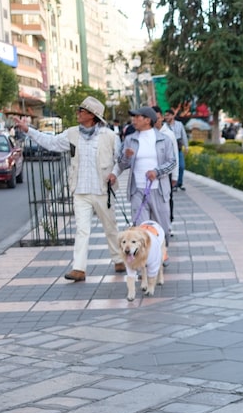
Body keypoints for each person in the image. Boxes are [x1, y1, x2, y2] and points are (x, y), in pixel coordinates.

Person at [14, 97, 124, 282]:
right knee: (82, 230)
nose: (78, 113)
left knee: (110, 226)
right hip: (80, 190)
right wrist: (28, 131)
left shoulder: (110, 136)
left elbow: (119, 161)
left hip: (102, 191)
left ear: (92, 116)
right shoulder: (72, 134)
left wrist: (114, 174)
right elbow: (52, 143)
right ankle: (79, 269)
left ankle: (118, 259)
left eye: (82, 111)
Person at [111, 106, 176, 246]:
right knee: (141, 230)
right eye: (133, 117)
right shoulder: (129, 140)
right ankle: (146, 259)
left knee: (162, 227)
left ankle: (162, 253)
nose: (133, 120)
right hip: (137, 190)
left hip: (159, 190)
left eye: (137, 117)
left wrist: (156, 172)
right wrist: (126, 157)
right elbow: (122, 164)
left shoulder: (164, 139)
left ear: (147, 120)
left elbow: (172, 163)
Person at [164, 109, 189, 190]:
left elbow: (183, 135)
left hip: (178, 148)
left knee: (181, 166)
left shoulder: (179, 124)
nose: (166, 117)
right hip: (169, 149)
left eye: (168, 115)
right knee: (172, 167)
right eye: (165, 115)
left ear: (172, 115)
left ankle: (179, 183)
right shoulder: (164, 126)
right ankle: (173, 184)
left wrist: (186, 146)